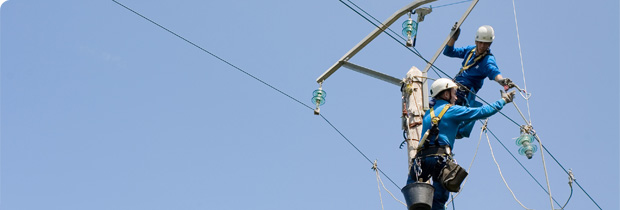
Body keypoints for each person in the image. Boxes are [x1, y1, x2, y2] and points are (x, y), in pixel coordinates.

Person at [406, 78, 515, 210]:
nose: (456, 96)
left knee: (413, 188)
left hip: (421, 160)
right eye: (454, 93)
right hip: (439, 160)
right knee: (439, 200)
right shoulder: (453, 110)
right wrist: (503, 101)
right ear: (446, 94)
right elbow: (482, 112)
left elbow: (442, 130)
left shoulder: (428, 113)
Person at [443, 25, 516, 138]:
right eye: (480, 42)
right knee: (437, 101)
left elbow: (494, 71)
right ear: (476, 41)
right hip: (454, 86)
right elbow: (448, 52)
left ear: (490, 44)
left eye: (486, 44)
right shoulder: (470, 50)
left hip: (464, 93)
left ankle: (449, 129)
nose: (482, 46)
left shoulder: (487, 59)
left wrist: (502, 81)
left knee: (448, 111)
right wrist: (453, 38)